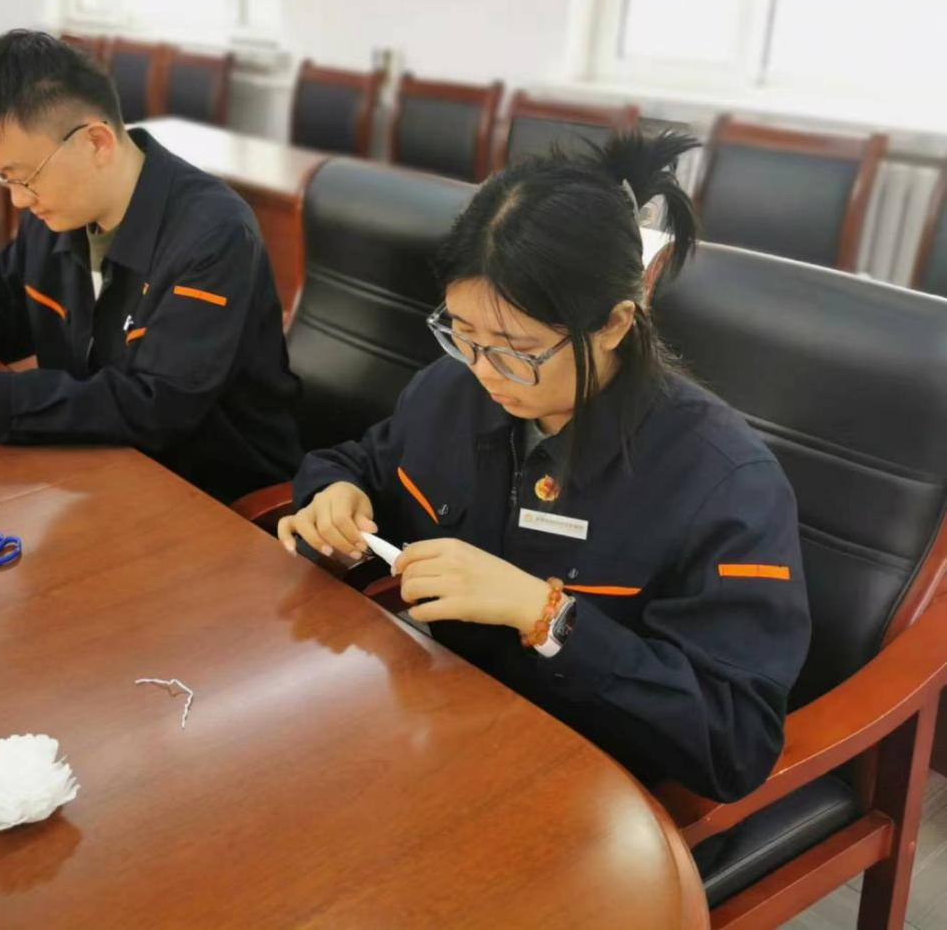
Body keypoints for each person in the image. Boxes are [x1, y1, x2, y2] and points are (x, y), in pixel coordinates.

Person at [277, 132, 810, 801]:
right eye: (462, 332)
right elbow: (362, 461)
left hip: (589, 784)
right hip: (441, 721)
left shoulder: (726, 482)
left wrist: (548, 616)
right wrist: (335, 493)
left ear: (615, 324)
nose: (483, 369)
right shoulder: (454, 388)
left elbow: (732, 741)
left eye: (519, 349)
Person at [0, 30, 301, 503]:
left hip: (212, 495)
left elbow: (157, 405)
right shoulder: (57, 211)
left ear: (96, 142)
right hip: (99, 470)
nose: (18, 200)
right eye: (4, 178)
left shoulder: (213, 235)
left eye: (25, 177)